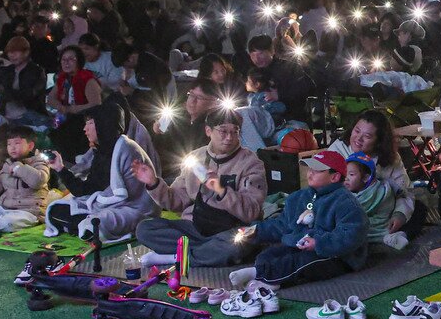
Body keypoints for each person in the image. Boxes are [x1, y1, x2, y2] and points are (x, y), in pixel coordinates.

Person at [131, 109, 269, 266]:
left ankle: (177, 257)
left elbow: (251, 213)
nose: (229, 137)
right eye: (223, 131)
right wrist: (154, 183)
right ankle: (205, 253)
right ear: (208, 131)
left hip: (230, 230)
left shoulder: (251, 163)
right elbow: (176, 202)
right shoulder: (196, 157)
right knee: (145, 229)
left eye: (235, 132)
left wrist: (222, 191)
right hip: (195, 227)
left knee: (239, 244)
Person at [227, 149, 367, 291]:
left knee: (304, 261)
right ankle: (269, 277)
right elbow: (282, 224)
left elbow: (351, 234)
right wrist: (256, 231)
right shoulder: (298, 197)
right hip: (298, 244)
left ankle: (263, 276)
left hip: (336, 255)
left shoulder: (345, 202)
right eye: (310, 168)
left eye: (318, 170)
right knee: (269, 255)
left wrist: (319, 243)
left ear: (335, 177)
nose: (310, 172)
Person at [43, 101, 158, 243]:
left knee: (100, 223)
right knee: (55, 210)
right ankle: (82, 227)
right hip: (104, 205)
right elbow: (87, 189)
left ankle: (83, 228)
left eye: (90, 123)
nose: (85, 129)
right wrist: (60, 168)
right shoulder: (102, 151)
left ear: (103, 124)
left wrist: (62, 170)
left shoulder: (125, 148)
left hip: (131, 207)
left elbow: (125, 196)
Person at [327, 110, 416, 243]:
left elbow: (404, 191)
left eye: (367, 136)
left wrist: (400, 215)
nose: (358, 139)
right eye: (356, 131)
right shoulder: (337, 149)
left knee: (418, 210)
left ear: (379, 141)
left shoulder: (390, 158)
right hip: (348, 212)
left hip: (380, 214)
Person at [0, 125, 55, 241]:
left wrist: (19, 168)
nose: (12, 147)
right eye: (9, 144)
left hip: (29, 212)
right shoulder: (8, 164)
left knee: (7, 221)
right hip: (5, 208)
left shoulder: (39, 162)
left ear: (30, 146)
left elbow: (38, 181)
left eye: (17, 143)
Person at [48, 45, 103, 160]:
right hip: (67, 117)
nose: (67, 63)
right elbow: (51, 98)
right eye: (64, 60)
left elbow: (96, 104)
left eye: (71, 59)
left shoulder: (87, 79)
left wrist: (72, 109)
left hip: (84, 119)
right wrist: (61, 107)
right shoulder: (63, 78)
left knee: (68, 133)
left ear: (79, 61)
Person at [0, 37, 46, 126]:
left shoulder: (36, 72)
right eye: (9, 52)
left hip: (29, 118)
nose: (11, 55)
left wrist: (0, 89)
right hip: (7, 117)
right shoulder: (9, 70)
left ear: (26, 52)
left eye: (15, 52)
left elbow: (27, 95)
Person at [344, 151, 398, 251]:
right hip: (370, 219)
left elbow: (353, 212)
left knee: (352, 232)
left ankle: (389, 238)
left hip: (379, 224)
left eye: (351, 174)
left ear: (365, 177)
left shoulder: (372, 193)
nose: (345, 178)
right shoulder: (360, 188)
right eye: (344, 174)